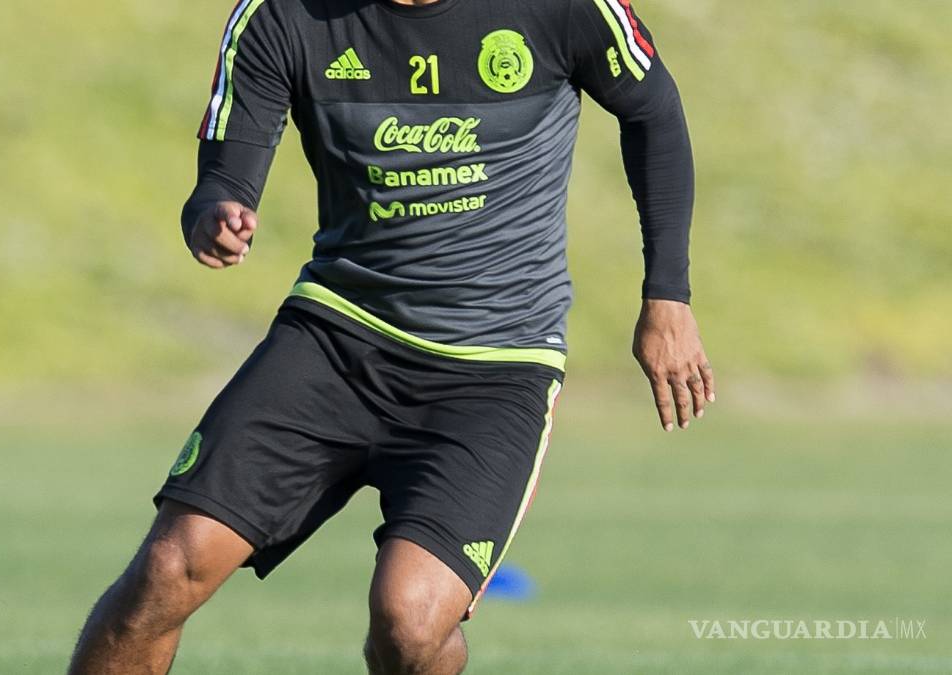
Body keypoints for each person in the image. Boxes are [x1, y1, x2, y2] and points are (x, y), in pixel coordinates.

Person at [68, 0, 714, 672]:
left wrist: (667, 296)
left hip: (494, 368)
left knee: (410, 624)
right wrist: (217, 215)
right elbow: (223, 180)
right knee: (170, 567)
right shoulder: (281, 14)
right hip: (334, 341)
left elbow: (654, 112)